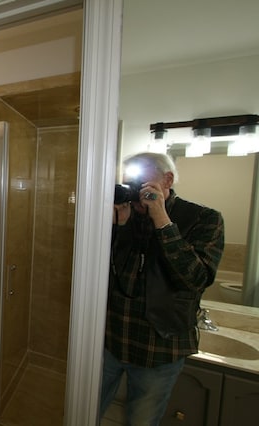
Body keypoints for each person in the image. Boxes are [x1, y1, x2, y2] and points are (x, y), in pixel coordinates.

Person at [99, 152, 225, 425]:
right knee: (86, 408)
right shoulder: (128, 215)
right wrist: (116, 230)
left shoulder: (204, 219)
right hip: (110, 338)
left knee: (142, 421)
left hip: (160, 347)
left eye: (140, 182)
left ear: (167, 180)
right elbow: (103, 275)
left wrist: (162, 220)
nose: (134, 191)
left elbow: (196, 278)